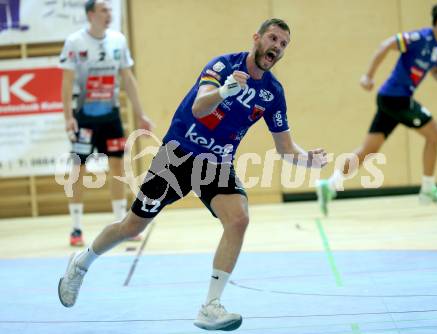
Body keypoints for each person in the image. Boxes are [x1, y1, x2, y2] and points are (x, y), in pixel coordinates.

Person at [58, 18, 327, 331]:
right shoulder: (223, 65)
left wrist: (307, 160)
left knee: (238, 219)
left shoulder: (272, 93)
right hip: (178, 155)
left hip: (216, 164)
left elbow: (285, 148)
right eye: (273, 38)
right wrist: (227, 90)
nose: (276, 47)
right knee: (132, 226)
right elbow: (200, 107)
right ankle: (81, 264)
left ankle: (210, 306)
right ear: (256, 38)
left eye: (283, 44)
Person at [316, 4, 437, 216]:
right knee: (435, 135)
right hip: (395, 98)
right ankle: (428, 189)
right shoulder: (419, 37)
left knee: (368, 150)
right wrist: (368, 76)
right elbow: (386, 45)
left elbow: (435, 71)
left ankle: (329, 185)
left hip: (393, 100)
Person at [59, 0, 153, 246]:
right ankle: (76, 228)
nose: (108, 14)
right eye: (103, 10)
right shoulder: (74, 42)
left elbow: (128, 78)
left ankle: (123, 225)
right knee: (78, 171)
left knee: (118, 169)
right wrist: (68, 116)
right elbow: (67, 82)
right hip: (85, 118)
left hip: (111, 116)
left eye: (110, 10)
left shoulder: (118, 40)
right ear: (91, 15)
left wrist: (140, 113)